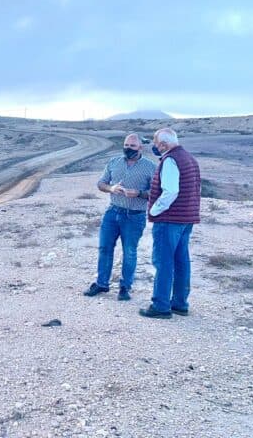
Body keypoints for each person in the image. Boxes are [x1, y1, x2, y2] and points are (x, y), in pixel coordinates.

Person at [84, 133, 156, 301]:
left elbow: (156, 192)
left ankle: (125, 287)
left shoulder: (151, 167)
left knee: (129, 252)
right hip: (113, 212)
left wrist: (139, 193)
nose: (128, 148)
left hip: (134, 216)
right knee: (105, 249)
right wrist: (111, 188)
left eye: (132, 146)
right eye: (126, 145)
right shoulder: (114, 162)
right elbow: (101, 183)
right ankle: (101, 284)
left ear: (140, 147)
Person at [139, 128, 201, 319]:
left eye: (156, 143)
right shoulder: (189, 158)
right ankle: (180, 304)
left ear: (164, 145)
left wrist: (153, 210)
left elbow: (170, 191)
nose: (154, 147)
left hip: (169, 220)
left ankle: (161, 306)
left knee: (163, 262)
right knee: (181, 262)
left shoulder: (171, 160)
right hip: (185, 219)